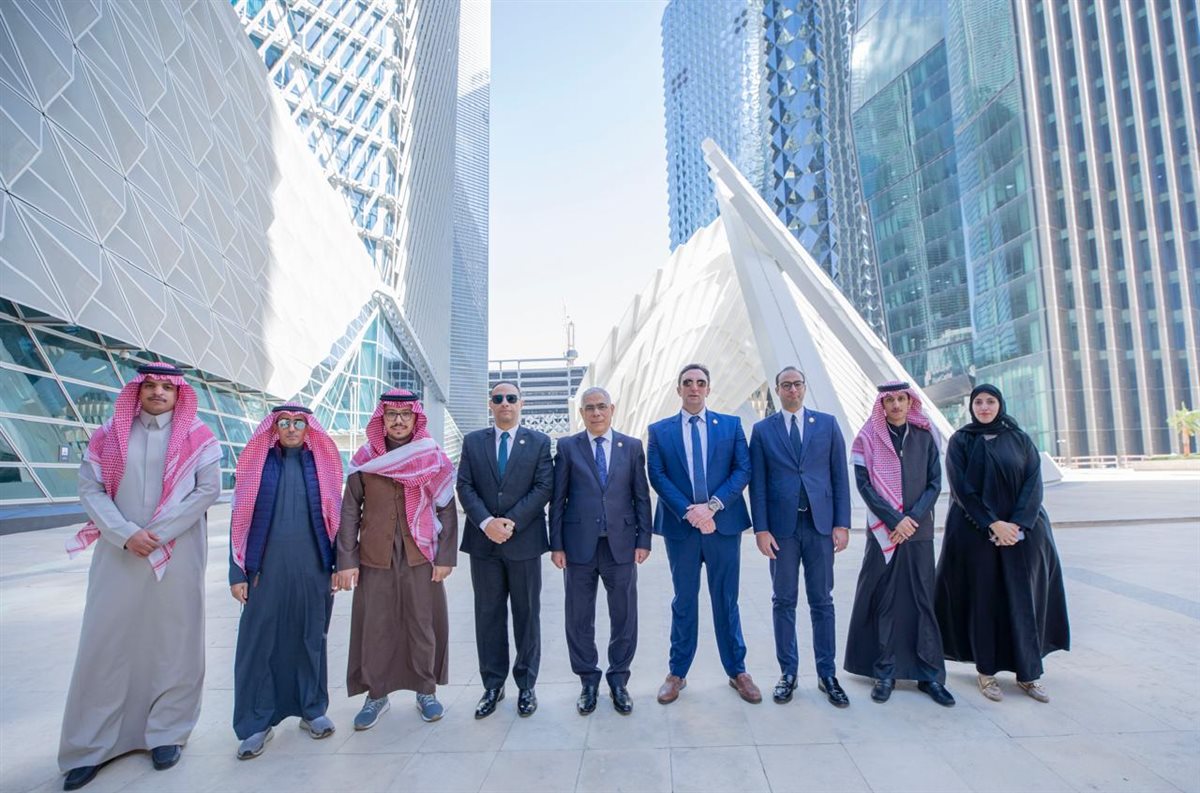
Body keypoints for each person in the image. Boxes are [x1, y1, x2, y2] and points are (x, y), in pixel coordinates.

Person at [60, 364, 221, 790]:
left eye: (167, 386)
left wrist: (158, 533)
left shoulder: (200, 437)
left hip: (179, 552)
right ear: (137, 390)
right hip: (119, 554)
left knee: (174, 641)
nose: (158, 392)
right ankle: (91, 745)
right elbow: (90, 489)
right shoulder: (109, 436)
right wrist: (126, 534)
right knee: (105, 644)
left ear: (179, 394)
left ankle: (167, 733)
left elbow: (208, 491)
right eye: (150, 385)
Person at [934, 384, 1070, 703]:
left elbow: (1033, 484)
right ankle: (987, 673)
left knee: (1024, 601)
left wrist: (1017, 524)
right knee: (985, 601)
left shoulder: (1019, 439)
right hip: (977, 534)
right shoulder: (962, 441)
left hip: (1023, 535)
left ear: (1000, 404)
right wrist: (992, 524)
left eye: (990, 401)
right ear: (971, 407)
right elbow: (962, 489)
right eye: (978, 402)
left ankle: (1028, 674)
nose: (984, 407)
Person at [335, 390, 458, 727]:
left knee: (422, 623)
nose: (399, 420)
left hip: (421, 553)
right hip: (375, 556)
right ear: (382, 419)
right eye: (392, 414)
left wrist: (446, 556)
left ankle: (426, 691)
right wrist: (346, 560)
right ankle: (376, 695)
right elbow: (349, 511)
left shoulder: (431, 455)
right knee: (376, 626)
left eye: (406, 414)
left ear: (416, 418)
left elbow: (446, 508)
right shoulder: (365, 458)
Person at [228, 404, 343, 758]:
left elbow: (336, 519)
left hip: (314, 569)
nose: (291, 428)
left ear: (309, 429)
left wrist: (338, 565)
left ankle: (313, 710)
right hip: (264, 572)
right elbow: (239, 519)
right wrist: (237, 573)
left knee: (311, 638)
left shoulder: (322, 465)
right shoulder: (257, 465)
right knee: (259, 643)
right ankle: (256, 722)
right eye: (284, 422)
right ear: (274, 427)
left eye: (298, 423)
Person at [647, 364, 761, 705]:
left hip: (723, 526)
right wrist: (690, 512)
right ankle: (677, 673)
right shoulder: (660, 431)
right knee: (684, 600)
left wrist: (711, 507)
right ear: (678, 389)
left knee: (726, 599)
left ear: (709, 389)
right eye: (688, 383)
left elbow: (743, 469)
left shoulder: (730, 425)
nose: (694, 388)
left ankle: (738, 671)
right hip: (681, 529)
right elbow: (657, 475)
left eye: (700, 383)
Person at [844, 382, 954, 707]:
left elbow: (935, 483)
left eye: (901, 399)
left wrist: (912, 518)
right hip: (884, 533)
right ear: (881, 405)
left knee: (922, 600)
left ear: (910, 402)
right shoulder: (868, 438)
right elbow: (865, 487)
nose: (895, 405)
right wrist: (895, 520)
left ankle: (929, 675)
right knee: (886, 601)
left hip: (918, 532)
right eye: (889, 400)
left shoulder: (925, 436)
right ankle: (885, 672)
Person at [749, 366, 852, 708]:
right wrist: (761, 529)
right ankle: (788, 673)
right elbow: (758, 484)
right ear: (777, 390)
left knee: (822, 601)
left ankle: (827, 674)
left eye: (797, 384)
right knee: (783, 601)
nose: (792, 390)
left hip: (820, 527)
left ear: (804, 388)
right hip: (782, 530)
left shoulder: (827, 424)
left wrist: (841, 524)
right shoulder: (763, 431)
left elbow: (839, 477)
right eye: (785, 385)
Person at [549, 386, 653, 715]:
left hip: (621, 546)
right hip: (578, 547)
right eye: (590, 407)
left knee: (624, 615)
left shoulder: (631, 447)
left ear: (612, 409)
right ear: (581, 412)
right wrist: (556, 545)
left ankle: (619, 679)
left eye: (601, 406)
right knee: (579, 617)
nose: (596, 412)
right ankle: (588, 681)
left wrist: (644, 539)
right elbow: (558, 499)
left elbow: (641, 497)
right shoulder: (567, 447)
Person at [456, 381, 553, 718]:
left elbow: (544, 486)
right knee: (488, 617)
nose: (505, 403)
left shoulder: (539, 442)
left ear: (520, 403)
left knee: (527, 616)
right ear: (491, 405)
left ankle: (526, 685)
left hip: (524, 542)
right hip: (483, 545)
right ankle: (493, 686)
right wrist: (486, 523)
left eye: (511, 398)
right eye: (498, 399)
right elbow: (464, 486)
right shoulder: (473, 442)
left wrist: (510, 522)